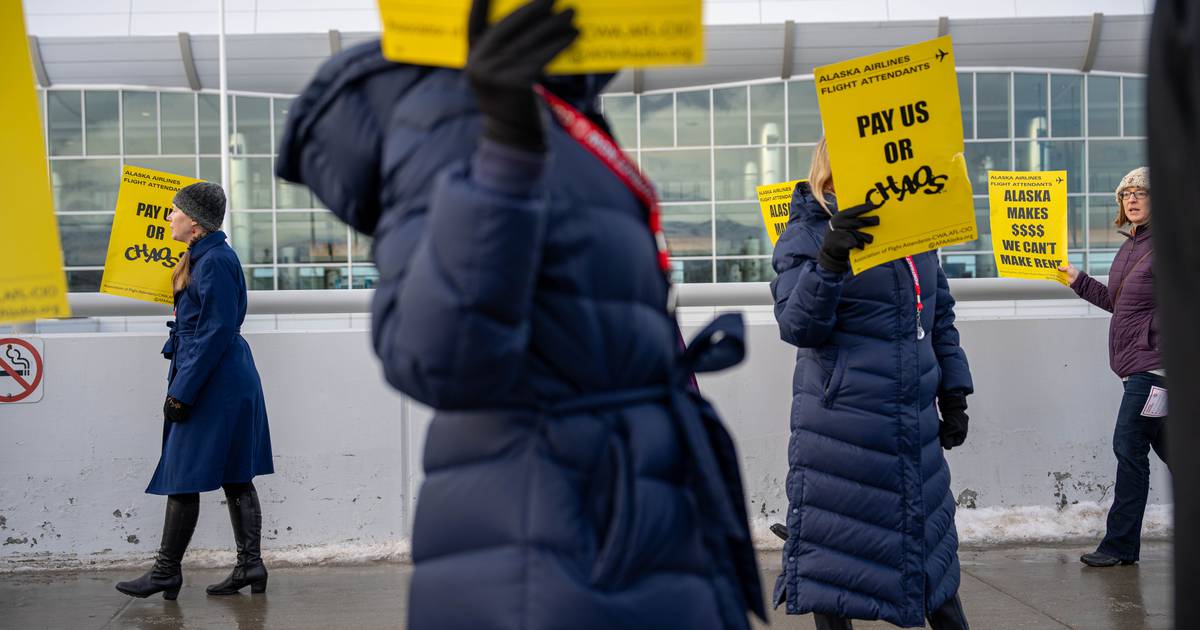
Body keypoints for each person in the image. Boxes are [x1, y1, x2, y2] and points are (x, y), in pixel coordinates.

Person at [275, 1, 763, 628]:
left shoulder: (564, 112)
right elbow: (438, 357)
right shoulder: (460, 114)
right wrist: (505, 149)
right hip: (562, 541)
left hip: (610, 523)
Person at [770, 139, 973, 630]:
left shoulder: (915, 229)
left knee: (932, 565)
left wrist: (954, 391)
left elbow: (938, 312)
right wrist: (830, 262)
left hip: (913, 427)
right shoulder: (807, 230)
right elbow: (798, 326)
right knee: (836, 561)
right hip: (843, 431)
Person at [115, 182, 273, 600]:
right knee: (234, 472)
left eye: (174, 212)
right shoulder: (206, 257)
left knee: (184, 470)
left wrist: (182, 391)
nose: (168, 217)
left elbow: (216, 329)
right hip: (219, 375)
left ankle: (168, 571)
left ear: (196, 222)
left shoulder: (215, 260)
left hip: (214, 380)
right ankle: (249, 566)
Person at [1059, 167, 1169, 569]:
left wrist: (1153, 335)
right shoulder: (1133, 246)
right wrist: (1077, 280)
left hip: (1154, 371)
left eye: (1142, 192)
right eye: (1126, 194)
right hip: (1137, 369)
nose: (1133, 199)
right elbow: (1120, 306)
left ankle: (1120, 545)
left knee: (1128, 449)